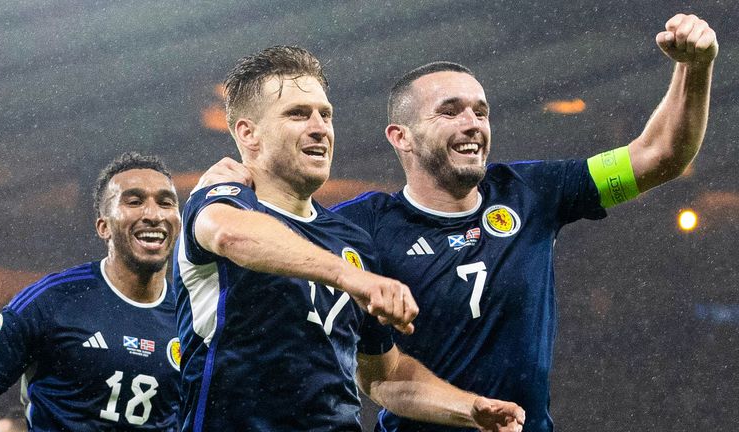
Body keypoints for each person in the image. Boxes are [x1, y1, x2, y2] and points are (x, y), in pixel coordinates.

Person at [198, 14, 718, 432]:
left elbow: (662, 155)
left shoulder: (534, 192)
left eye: (481, 111)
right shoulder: (359, 230)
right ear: (400, 137)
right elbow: (379, 376)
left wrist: (695, 68)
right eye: (450, 111)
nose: (473, 124)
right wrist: (241, 185)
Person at [174, 45, 525, 432]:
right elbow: (229, 235)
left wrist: (469, 408)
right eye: (297, 114)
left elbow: (383, 374)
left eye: (325, 115)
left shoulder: (348, 238)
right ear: (248, 132)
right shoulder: (218, 203)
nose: (319, 127)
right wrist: (349, 277)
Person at [0, 152, 183, 431]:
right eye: (134, 201)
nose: (154, 214)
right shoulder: (51, 301)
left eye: (166, 202)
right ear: (103, 227)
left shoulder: (192, 317)